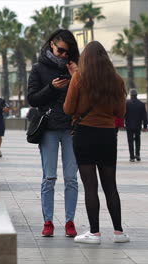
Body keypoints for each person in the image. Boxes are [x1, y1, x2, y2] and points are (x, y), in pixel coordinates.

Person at [64, 41, 130, 244]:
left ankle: (94, 233)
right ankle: (119, 232)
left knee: (90, 186)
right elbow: (120, 112)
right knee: (110, 185)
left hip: (84, 134)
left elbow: (68, 109)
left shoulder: (79, 77)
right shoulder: (117, 80)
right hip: (108, 135)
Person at [27, 29, 80, 238]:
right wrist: (51, 87)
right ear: (51, 44)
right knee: (49, 177)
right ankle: (48, 221)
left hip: (70, 128)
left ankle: (70, 222)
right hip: (48, 128)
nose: (64, 55)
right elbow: (32, 99)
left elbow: (87, 94)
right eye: (60, 50)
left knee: (71, 179)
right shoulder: (38, 68)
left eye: (68, 52)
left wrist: (77, 75)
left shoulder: (74, 67)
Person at [125, 89, 148, 162]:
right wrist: (145, 126)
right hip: (138, 125)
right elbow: (144, 116)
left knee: (130, 141)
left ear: (130, 95)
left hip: (129, 125)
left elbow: (123, 115)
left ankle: (132, 157)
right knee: (137, 140)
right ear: (136, 95)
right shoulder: (141, 104)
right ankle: (137, 154)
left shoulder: (126, 104)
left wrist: (122, 123)